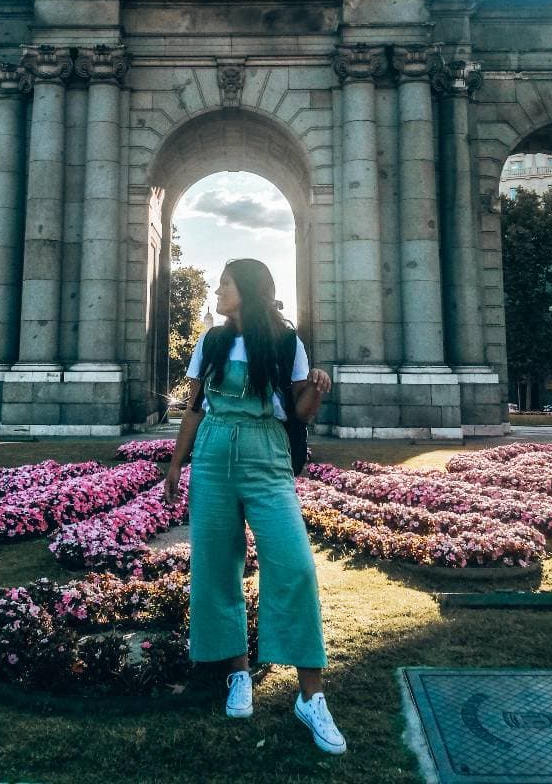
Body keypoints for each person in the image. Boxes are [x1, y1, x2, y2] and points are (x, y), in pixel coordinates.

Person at [164, 258, 346, 755]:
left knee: (296, 567)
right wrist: (176, 465)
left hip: (267, 457)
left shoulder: (289, 344)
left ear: (246, 289)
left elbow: (299, 414)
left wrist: (316, 389)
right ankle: (237, 673)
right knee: (217, 568)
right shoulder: (212, 341)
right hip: (213, 457)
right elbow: (194, 408)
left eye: (223, 283)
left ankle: (311, 696)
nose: (217, 290)